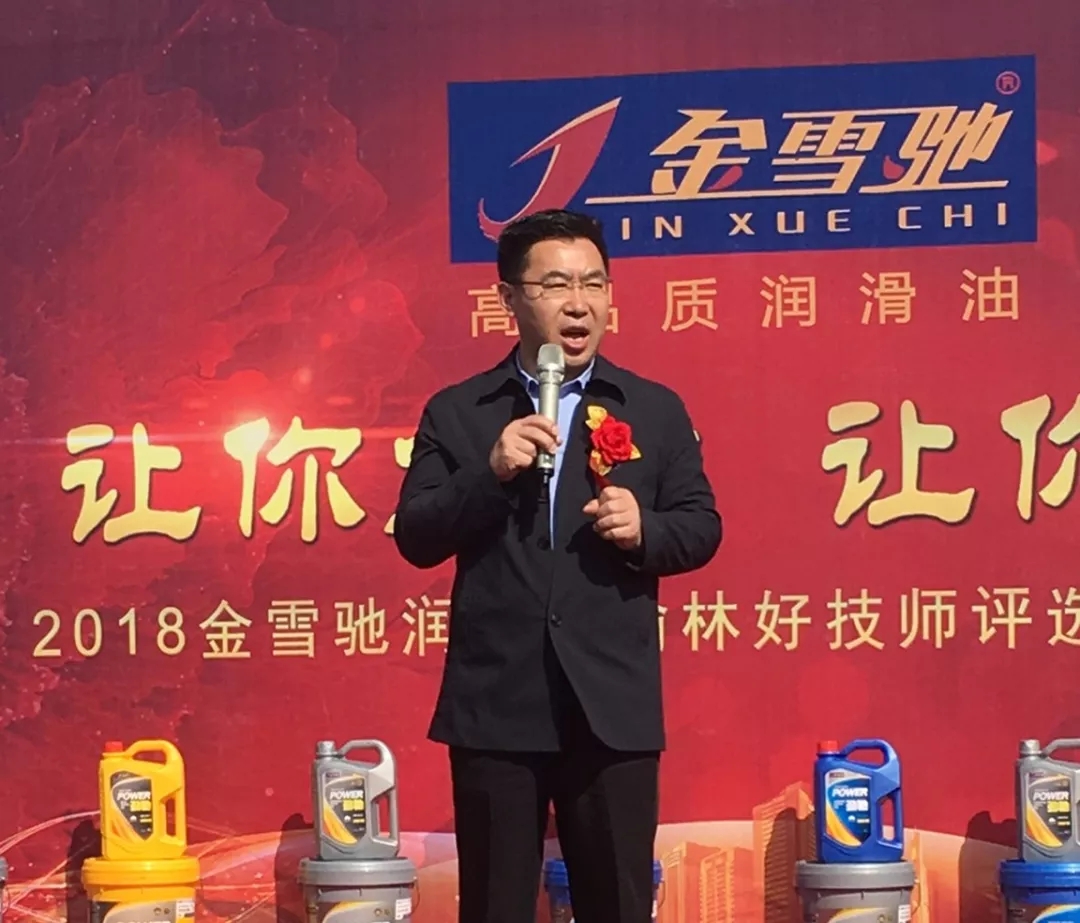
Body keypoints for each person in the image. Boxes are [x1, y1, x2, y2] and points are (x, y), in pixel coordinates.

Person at [392, 208, 721, 923]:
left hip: (611, 708)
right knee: (495, 906)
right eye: (556, 285)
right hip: (497, 707)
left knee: (619, 904)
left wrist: (646, 529)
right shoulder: (460, 411)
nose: (579, 303)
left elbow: (702, 527)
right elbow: (415, 534)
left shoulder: (653, 409)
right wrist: (489, 472)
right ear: (509, 298)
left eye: (594, 284)